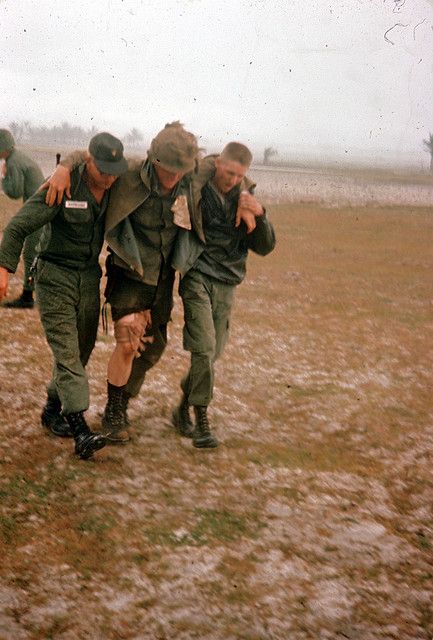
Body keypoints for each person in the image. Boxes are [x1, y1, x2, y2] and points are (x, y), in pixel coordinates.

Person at [43, 122, 203, 443]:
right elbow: (90, 157)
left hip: (163, 278)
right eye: (167, 171)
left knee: (152, 348)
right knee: (129, 339)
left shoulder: (190, 178)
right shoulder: (128, 174)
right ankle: (114, 413)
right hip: (129, 273)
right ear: (153, 159)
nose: (173, 179)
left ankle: (120, 399)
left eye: (179, 172)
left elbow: (222, 167)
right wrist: (64, 166)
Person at [0, 132, 128, 459]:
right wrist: (4, 268)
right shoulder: (62, 185)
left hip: (88, 278)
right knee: (68, 353)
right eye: (104, 171)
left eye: (116, 170)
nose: (110, 177)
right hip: (54, 276)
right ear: (89, 162)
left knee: (81, 352)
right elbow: (17, 227)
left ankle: (51, 410)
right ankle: (81, 430)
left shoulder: (115, 186)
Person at [171, 142, 276, 448]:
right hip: (197, 275)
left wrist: (262, 214)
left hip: (227, 281)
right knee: (203, 349)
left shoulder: (246, 197)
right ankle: (201, 418)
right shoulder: (195, 184)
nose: (231, 180)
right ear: (218, 163)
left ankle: (181, 408)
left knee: (213, 353)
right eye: (228, 172)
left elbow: (266, 246)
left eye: (238, 175)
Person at [0, 128, 44, 308]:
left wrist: (3, 177)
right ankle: (29, 293)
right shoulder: (18, 157)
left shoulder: (13, 162)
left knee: (31, 252)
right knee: (32, 251)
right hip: (38, 206)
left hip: (38, 209)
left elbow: (14, 191)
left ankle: (28, 297)